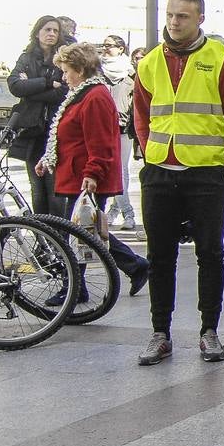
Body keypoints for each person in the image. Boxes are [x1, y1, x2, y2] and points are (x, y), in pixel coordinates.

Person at [133, 0, 224, 365]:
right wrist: (151, 150)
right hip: (159, 172)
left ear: (200, 19)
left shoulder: (221, 61)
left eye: (182, 16)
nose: (174, 22)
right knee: (159, 256)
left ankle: (209, 330)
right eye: (170, 15)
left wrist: (220, 161)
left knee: (211, 253)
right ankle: (160, 332)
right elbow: (141, 114)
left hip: (205, 173)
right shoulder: (149, 62)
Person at [37, 41, 150, 298]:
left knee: (78, 232)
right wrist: (48, 158)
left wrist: (92, 172)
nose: (63, 77)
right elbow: (66, 136)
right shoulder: (84, 94)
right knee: (90, 231)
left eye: (66, 71)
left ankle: (75, 288)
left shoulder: (95, 96)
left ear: (80, 68)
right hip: (78, 173)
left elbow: (100, 141)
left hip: (86, 176)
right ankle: (134, 266)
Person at [7, 16, 67, 214]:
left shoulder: (63, 58)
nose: (51, 34)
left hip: (54, 130)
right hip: (32, 130)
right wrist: (48, 82)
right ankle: (42, 235)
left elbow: (62, 92)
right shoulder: (27, 57)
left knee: (54, 187)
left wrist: (30, 87)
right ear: (37, 32)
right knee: (37, 188)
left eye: (55, 31)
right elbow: (15, 86)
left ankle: (57, 236)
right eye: (47, 29)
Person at [99, 35, 139, 230]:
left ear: (121, 48)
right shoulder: (98, 71)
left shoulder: (130, 72)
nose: (105, 49)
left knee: (120, 171)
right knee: (114, 171)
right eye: (104, 46)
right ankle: (114, 212)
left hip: (123, 128)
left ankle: (127, 213)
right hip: (102, 128)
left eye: (110, 46)